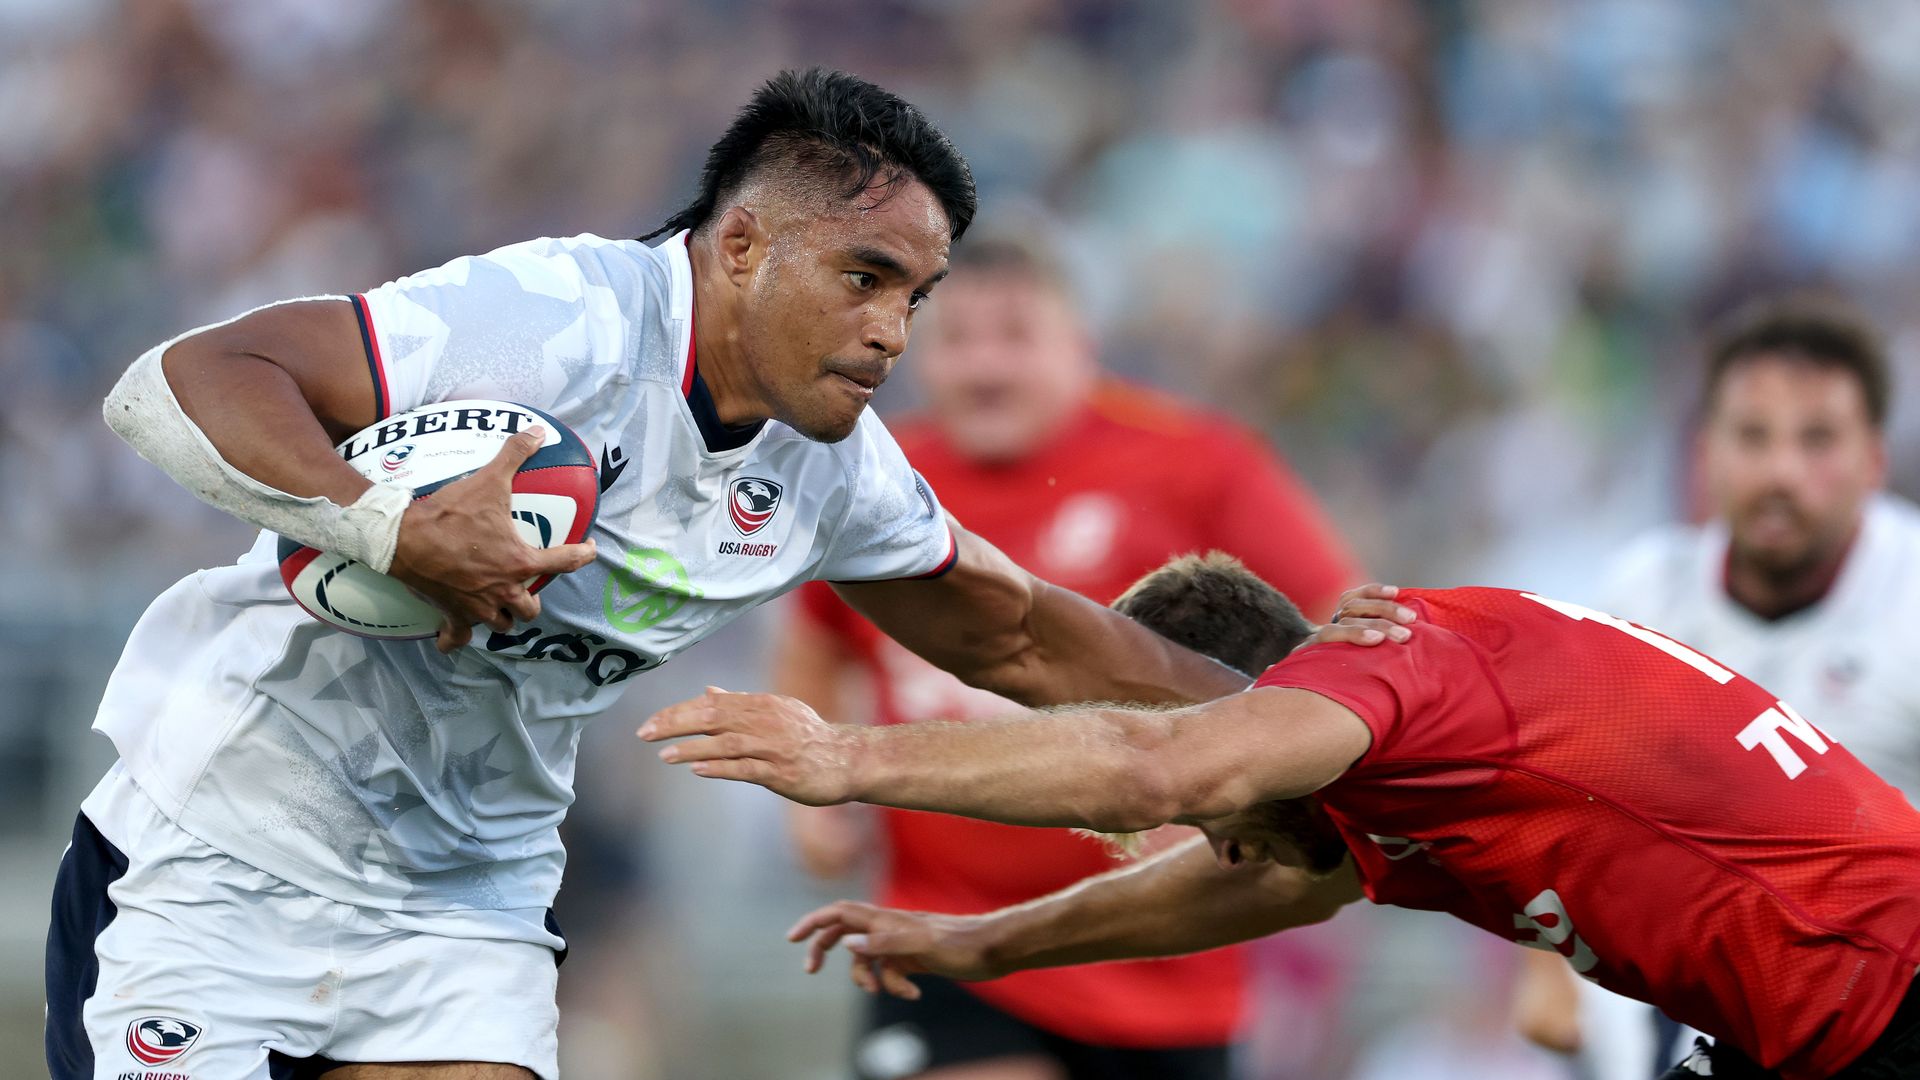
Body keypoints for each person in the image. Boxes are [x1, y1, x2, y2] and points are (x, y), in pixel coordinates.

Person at [45, 69, 1276, 1080]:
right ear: (741, 244)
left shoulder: (833, 467)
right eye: (865, 278)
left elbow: (1016, 636)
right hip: (218, 857)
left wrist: (1286, 732)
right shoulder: (552, 319)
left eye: (916, 295)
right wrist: (389, 527)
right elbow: (179, 381)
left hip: (466, 896)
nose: (896, 334)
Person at [643, 562, 1920, 1080]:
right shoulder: (1398, 757)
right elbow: (1259, 884)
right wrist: (977, 949)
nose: (1229, 846)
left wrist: (845, 756)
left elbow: (1153, 770)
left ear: (1261, 717)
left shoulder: (1383, 680)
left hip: (1884, 986)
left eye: (1230, 816)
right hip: (1816, 1018)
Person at [774, 228, 1360, 1080]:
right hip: (943, 925)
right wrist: (814, 807)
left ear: (1081, 344)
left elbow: (1340, 623)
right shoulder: (876, 478)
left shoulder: (1196, 462)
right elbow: (816, 636)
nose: (984, 367)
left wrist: (1238, 772)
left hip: (1165, 945)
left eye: (1015, 336)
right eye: (959, 339)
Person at [1511, 296, 1920, 1076]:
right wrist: (1542, 969)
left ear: (1874, 459)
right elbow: (1555, 809)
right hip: (1687, 1006)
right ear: (1706, 453)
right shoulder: (1642, 595)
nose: (1781, 471)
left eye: (1818, 439)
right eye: (1753, 436)